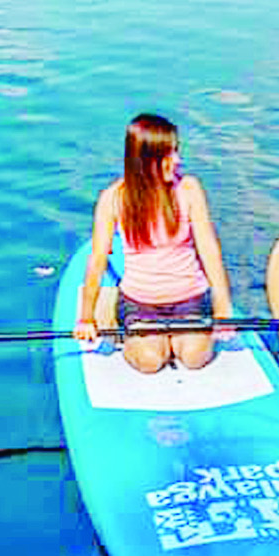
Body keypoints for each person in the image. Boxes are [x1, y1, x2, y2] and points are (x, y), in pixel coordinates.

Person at [73, 114, 234, 373]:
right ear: (145, 160)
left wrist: (223, 307)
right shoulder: (113, 198)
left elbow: (209, 250)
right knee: (150, 362)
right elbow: (98, 259)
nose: (178, 160)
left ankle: (175, 338)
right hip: (140, 303)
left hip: (190, 298)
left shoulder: (189, 189)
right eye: (169, 154)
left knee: (194, 358)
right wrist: (86, 317)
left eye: (177, 151)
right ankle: (134, 335)